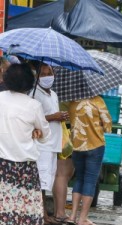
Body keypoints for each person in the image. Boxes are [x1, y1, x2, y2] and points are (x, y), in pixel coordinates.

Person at [0, 63, 51, 224]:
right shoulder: (33, 105)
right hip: (25, 169)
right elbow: (45, 135)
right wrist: (36, 133)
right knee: (24, 212)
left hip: (2, 165)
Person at [30, 63, 69, 225]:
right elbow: (32, 119)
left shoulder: (53, 94)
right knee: (40, 181)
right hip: (42, 144)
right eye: (44, 74)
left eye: (50, 73)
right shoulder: (34, 94)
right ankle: (43, 215)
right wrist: (54, 116)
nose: (48, 77)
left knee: (47, 181)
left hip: (54, 144)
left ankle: (44, 214)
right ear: (38, 76)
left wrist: (60, 116)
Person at [67, 96, 112, 225]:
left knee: (79, 178)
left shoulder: (72, 102)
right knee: (90, 181)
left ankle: (72, 216)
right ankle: (82, 219)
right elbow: (108, 125)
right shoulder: (98, 101)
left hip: (77, 146)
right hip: (95, 145)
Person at [52, 102, 75, 224]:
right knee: (63, 174)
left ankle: (57, 211)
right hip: (65, 130)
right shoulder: (71, 88)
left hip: (55, 130)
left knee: (59, 174)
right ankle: (60, 213)